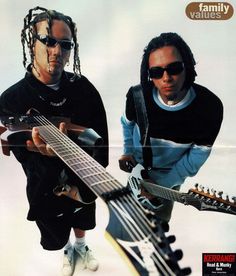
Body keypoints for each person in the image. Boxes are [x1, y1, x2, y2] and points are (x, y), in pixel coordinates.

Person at [0, 6, 108, 276]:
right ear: (30, 42)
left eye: (65, 45)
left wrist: (92, 181)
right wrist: (37, 152)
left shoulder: (84, 88)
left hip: (84, 177)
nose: (57, 51)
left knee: (83, 214)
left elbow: (101, 141)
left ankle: (81, 245)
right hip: (45, 186)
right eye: (48, 41)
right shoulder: (11, 99)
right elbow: (13, 144)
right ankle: (68, 249)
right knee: (56, 231)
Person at [119, 32, 223, 222]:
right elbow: (127, 124)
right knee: (125, 223)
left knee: (156, 233)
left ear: (187, 66)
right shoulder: (137, 96)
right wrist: (127, 152)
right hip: (138, 170)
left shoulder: (210, 107)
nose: (166, 78)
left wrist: (160, 187)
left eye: (174, 68)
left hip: (170, 177)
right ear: (149, 75)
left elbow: (195, 158)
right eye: (157, 72)